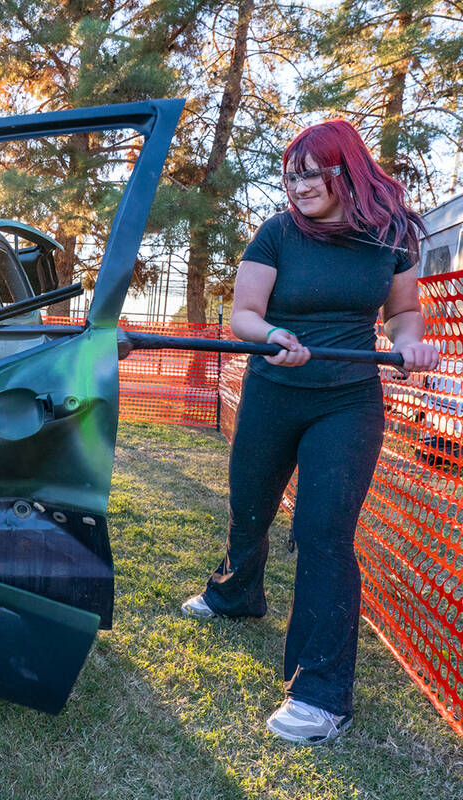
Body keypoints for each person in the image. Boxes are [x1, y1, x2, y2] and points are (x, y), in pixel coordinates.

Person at [181, 119, 439, 744]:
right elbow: (245, 314)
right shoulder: (277, 233)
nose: (297, 188)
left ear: (346, 170)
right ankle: (236, 593)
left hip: (348, 402)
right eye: (289, 177)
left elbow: (403, 311)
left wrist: (410, 343)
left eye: (309, 174)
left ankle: (321, 695)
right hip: (273, 392)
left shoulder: (391, 236)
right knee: (250, 510)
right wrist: (272, 335)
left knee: (324, 533)